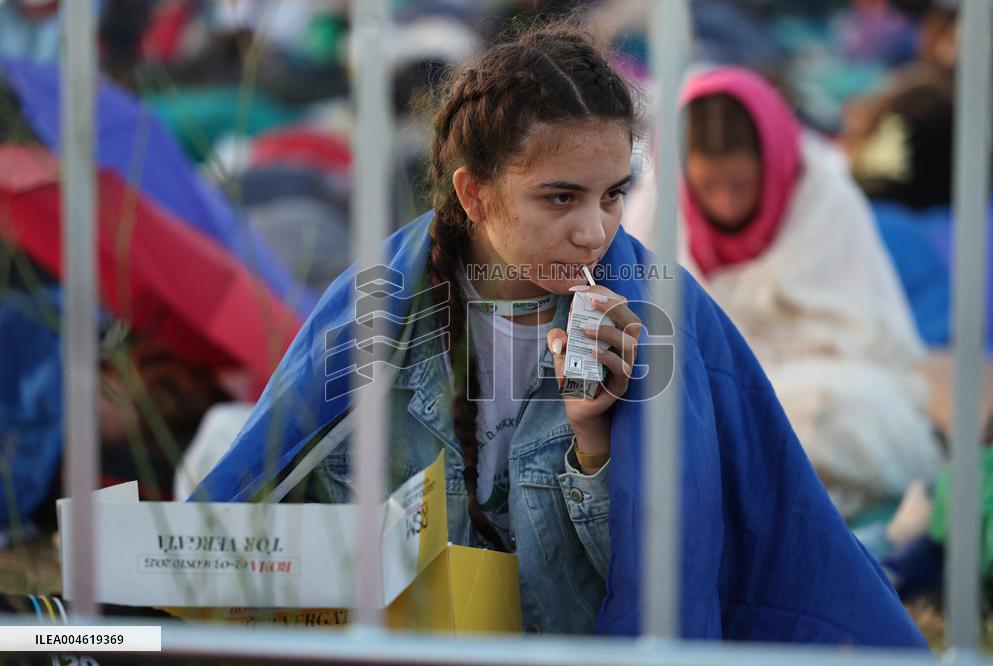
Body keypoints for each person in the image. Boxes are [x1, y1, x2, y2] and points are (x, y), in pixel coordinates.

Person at [196, 25, 926, 645]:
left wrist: (593, 446)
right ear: (473, 193)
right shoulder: (379, 311)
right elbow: (272, 518)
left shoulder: (654, 317)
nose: (593, 230)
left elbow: (660, 594)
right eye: (560, 197)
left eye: (613, 196)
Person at [628, 66, 942, 518]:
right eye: (708, 187)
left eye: (740, 185)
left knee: (830, 415)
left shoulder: (825, 199)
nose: (726, 203)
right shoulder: (658, 208)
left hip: (820, 387)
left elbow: (868, 339)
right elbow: (651, 335)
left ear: (772, 164)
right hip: (708, 392)